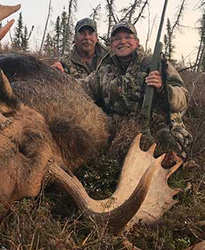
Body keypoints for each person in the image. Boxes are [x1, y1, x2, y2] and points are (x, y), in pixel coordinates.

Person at [81, 20, 192, 155]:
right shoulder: (103, 72)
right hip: (122, 132)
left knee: (172, 145)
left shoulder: (156, 64)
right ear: (111, 45)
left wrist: (163, 89)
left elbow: (183, 99)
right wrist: (57, 75)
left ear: (137, 42)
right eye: (117, 39)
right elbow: (80, 87)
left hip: (157, 127)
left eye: (128, 37)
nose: (122, 42)